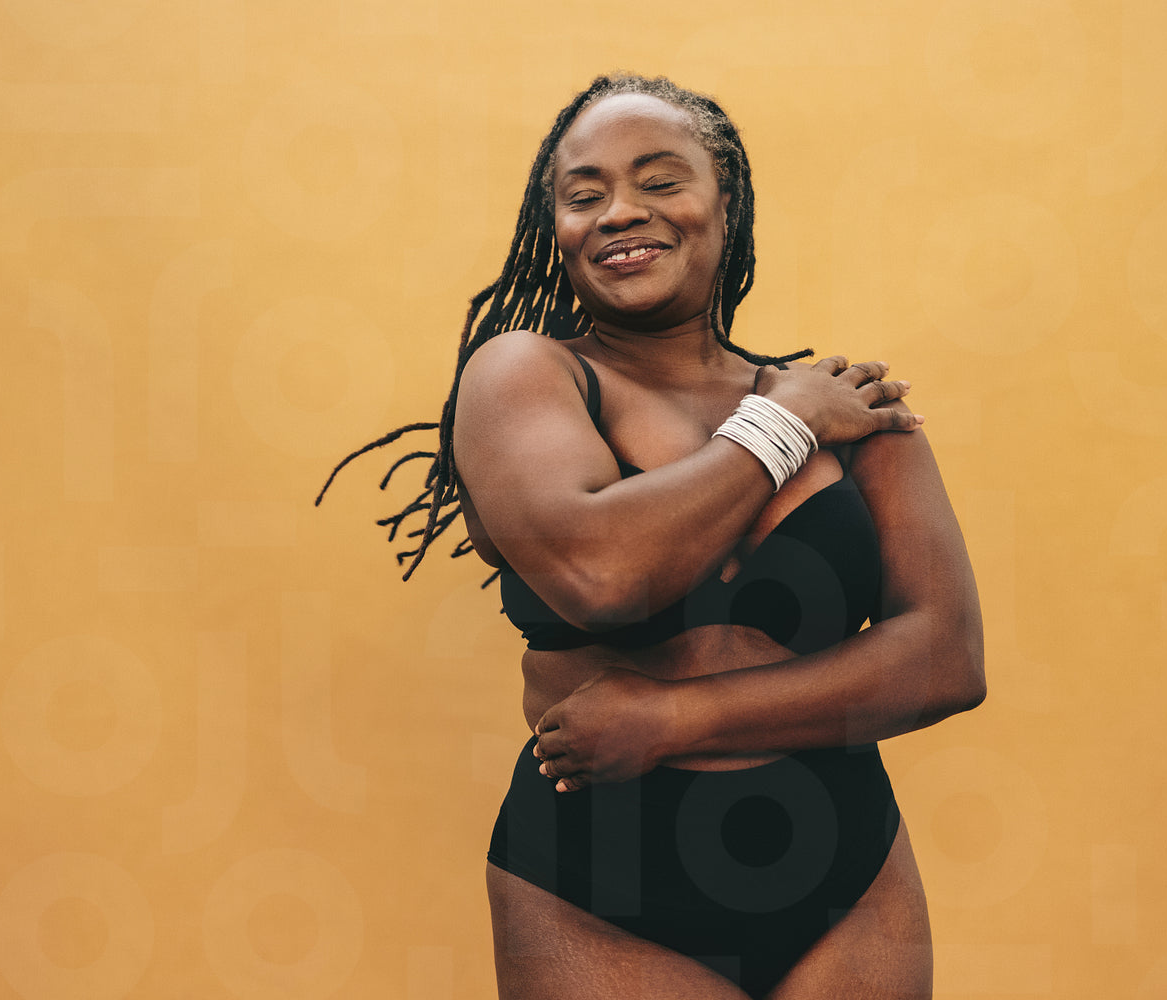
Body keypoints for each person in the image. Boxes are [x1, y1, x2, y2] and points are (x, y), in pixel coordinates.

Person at [322, 74, 985, 1000]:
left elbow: (945, 659)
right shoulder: (524, 376)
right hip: (604, 885)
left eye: (660, 181)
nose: (620, 213)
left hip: (849, 871)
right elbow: (602, 573)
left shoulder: (846, 406)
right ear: (556, 228)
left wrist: (676, 718)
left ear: (726, 201)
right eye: (583, 195)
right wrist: (782, 426)